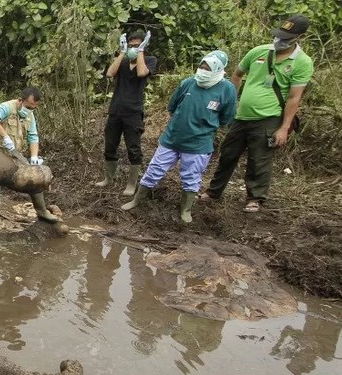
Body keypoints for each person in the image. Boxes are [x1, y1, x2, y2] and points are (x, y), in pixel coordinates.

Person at [200, 15, 314, 213]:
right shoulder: (258, 52)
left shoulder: (302, 62)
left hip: (269, 118)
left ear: (301, 37)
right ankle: (214, 191)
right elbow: (237, 74)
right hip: (242, 115)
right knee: (227, 154)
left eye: (287, 37)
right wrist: (230, 103)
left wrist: (284, 128)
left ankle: (255, 198)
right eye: (279, 35)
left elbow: (294, 98)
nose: (280, 40)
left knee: (259, 159)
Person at [121, 51, 237, 223]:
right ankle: (137, 200)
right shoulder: (189, 83)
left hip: (199, 143)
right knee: (154, 170)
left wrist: (203, 126)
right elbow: (172, 106)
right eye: (201, 66)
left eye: (208, 68)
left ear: (218, 70)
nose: (203, 70)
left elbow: (226, 118)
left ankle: (186, 210)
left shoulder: (227, 89)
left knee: (191, 177)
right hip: (172, 138)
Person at [0, 86, 59, 240]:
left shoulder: (30, 116)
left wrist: (34, 156)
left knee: (34, 178)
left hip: (14, 156)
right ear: (20, 101)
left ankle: (42, 211)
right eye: (29, 106)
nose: (31, 109)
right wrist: (4, 136)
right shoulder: (7, 107)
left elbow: (33, 137)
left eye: (34, 107)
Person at [94, 30, 158, 196]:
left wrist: (140, 52)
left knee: (133, 149)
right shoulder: (122, 62)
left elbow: (142, 73)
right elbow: (109, 73)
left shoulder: (149, 60)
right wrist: (123, 52)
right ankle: (108, 178)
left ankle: (131, 184)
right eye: (131, 45)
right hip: (116, 110)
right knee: (110, 146)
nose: (133, 48)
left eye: (137, 45)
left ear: (144, 46)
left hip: (134, 112)